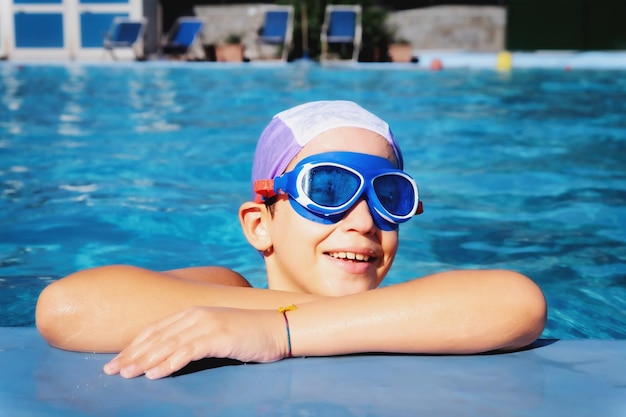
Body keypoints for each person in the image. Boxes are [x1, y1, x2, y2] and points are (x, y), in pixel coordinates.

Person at [36, 100, 547, 380]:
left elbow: (517, 302)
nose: (365, 221)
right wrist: (253, 313)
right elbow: (68, 308)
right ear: (260, 224)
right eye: (328, 188)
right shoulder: (229, 292)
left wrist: (276, 333)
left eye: (389, 195)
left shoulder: (251, 312)